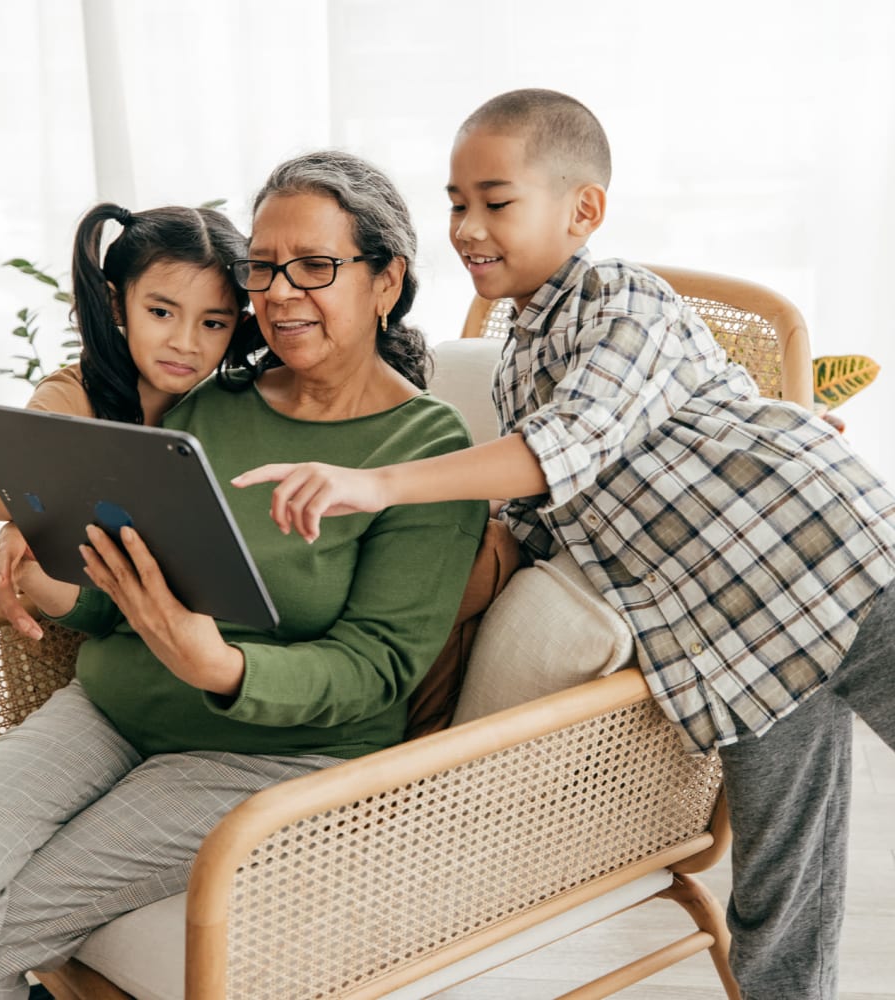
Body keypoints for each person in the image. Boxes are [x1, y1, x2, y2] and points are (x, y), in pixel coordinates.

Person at [233, 90, 895, 1000]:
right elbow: (552, 513)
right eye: (456, 202)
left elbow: (567, 446)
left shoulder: (622, 298)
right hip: (744, 644)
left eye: (494, 202)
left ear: (582, 211)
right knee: (780, 901)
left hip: (836, 567)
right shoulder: (518, 355)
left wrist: (376, 482)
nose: (466, 228)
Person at [0, 151, 487, 999]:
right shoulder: (212, 403)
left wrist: (219, 665)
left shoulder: (425, 453)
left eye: (314, 267)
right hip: (111, 708)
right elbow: (126, 596)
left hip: (267, 754)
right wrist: (56, 581)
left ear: (385, 280)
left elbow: (378, 667)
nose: (279, 293)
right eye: (265, 269)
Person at [0, 202, 255, 641]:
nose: (185, 343)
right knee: (31, 565)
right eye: (161, 313)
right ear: (115, 303)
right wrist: (23, 523)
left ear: (237, 325)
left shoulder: (232, 401)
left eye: (212, 323)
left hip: (215, 621)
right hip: (107, 608)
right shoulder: (74, 392)